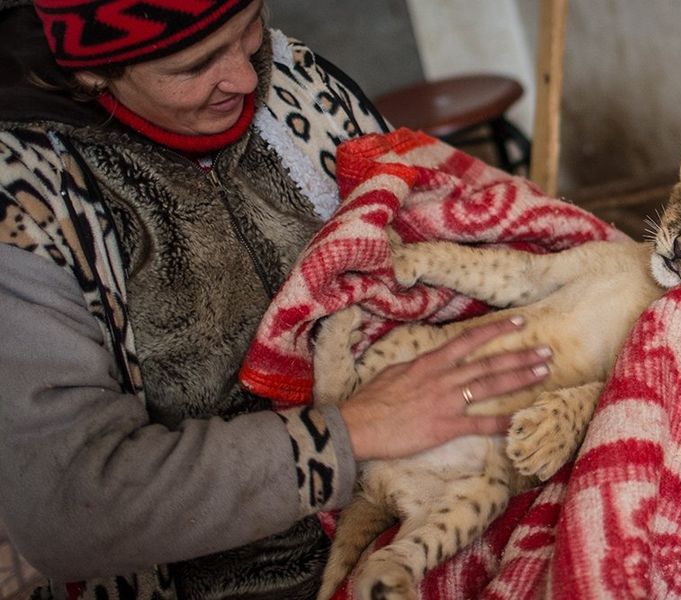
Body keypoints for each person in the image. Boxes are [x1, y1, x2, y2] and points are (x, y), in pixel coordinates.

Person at [0, 0, 552, 598]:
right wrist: (352, 432)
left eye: (249, 28)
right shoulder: (30, 202)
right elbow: (69, 507)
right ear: (93, 72)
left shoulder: (301, 84)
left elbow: (432, 242)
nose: (244, 77)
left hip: (428, 505)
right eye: (195, 66)